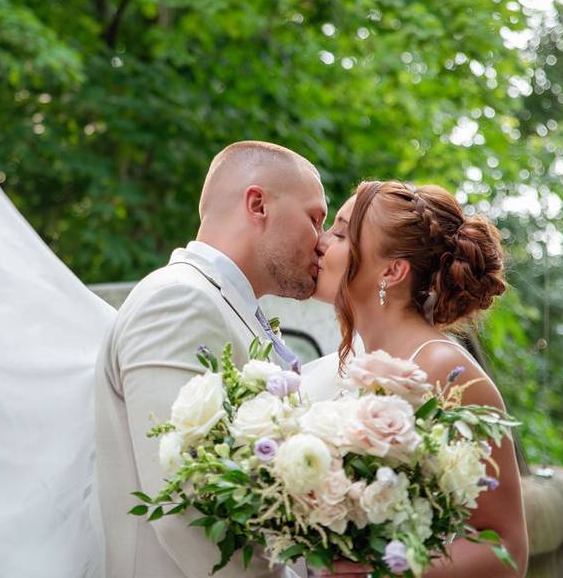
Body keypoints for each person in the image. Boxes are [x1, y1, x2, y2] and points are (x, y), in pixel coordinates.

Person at [95, 140, 327, 577]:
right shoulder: (178, 300)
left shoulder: (228, 310)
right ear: (258, 205)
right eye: (315, 219)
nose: (321, 243)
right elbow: (184, 507)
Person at [306, 180, 529, 577]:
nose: (320, 242)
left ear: (391, 271)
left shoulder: (445, 371)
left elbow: (505, 548)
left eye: (340, 233)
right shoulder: (347, 362)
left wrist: (384, 570)